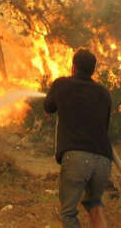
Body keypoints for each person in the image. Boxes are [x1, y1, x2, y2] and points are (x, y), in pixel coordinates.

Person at [44, 49, 113, 228]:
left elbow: (48, 107)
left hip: (76, 158)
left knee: (68, 213)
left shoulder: (62, 85)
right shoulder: (104, 93)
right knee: (95, 205)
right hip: (103, 159)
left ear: (73, 67)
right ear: (93, 70)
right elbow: (104, 127)